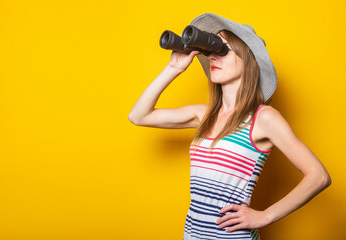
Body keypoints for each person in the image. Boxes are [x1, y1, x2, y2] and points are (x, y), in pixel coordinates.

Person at [128, 13, 331, 240]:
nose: (214, 57)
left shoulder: (263, 119)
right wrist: (174, 68)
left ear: (249, 61)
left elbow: (319, 176)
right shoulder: (204, 114)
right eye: (212, 51)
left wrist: (265, 216)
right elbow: (139, 116)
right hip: (193, 235)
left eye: (223, 50)